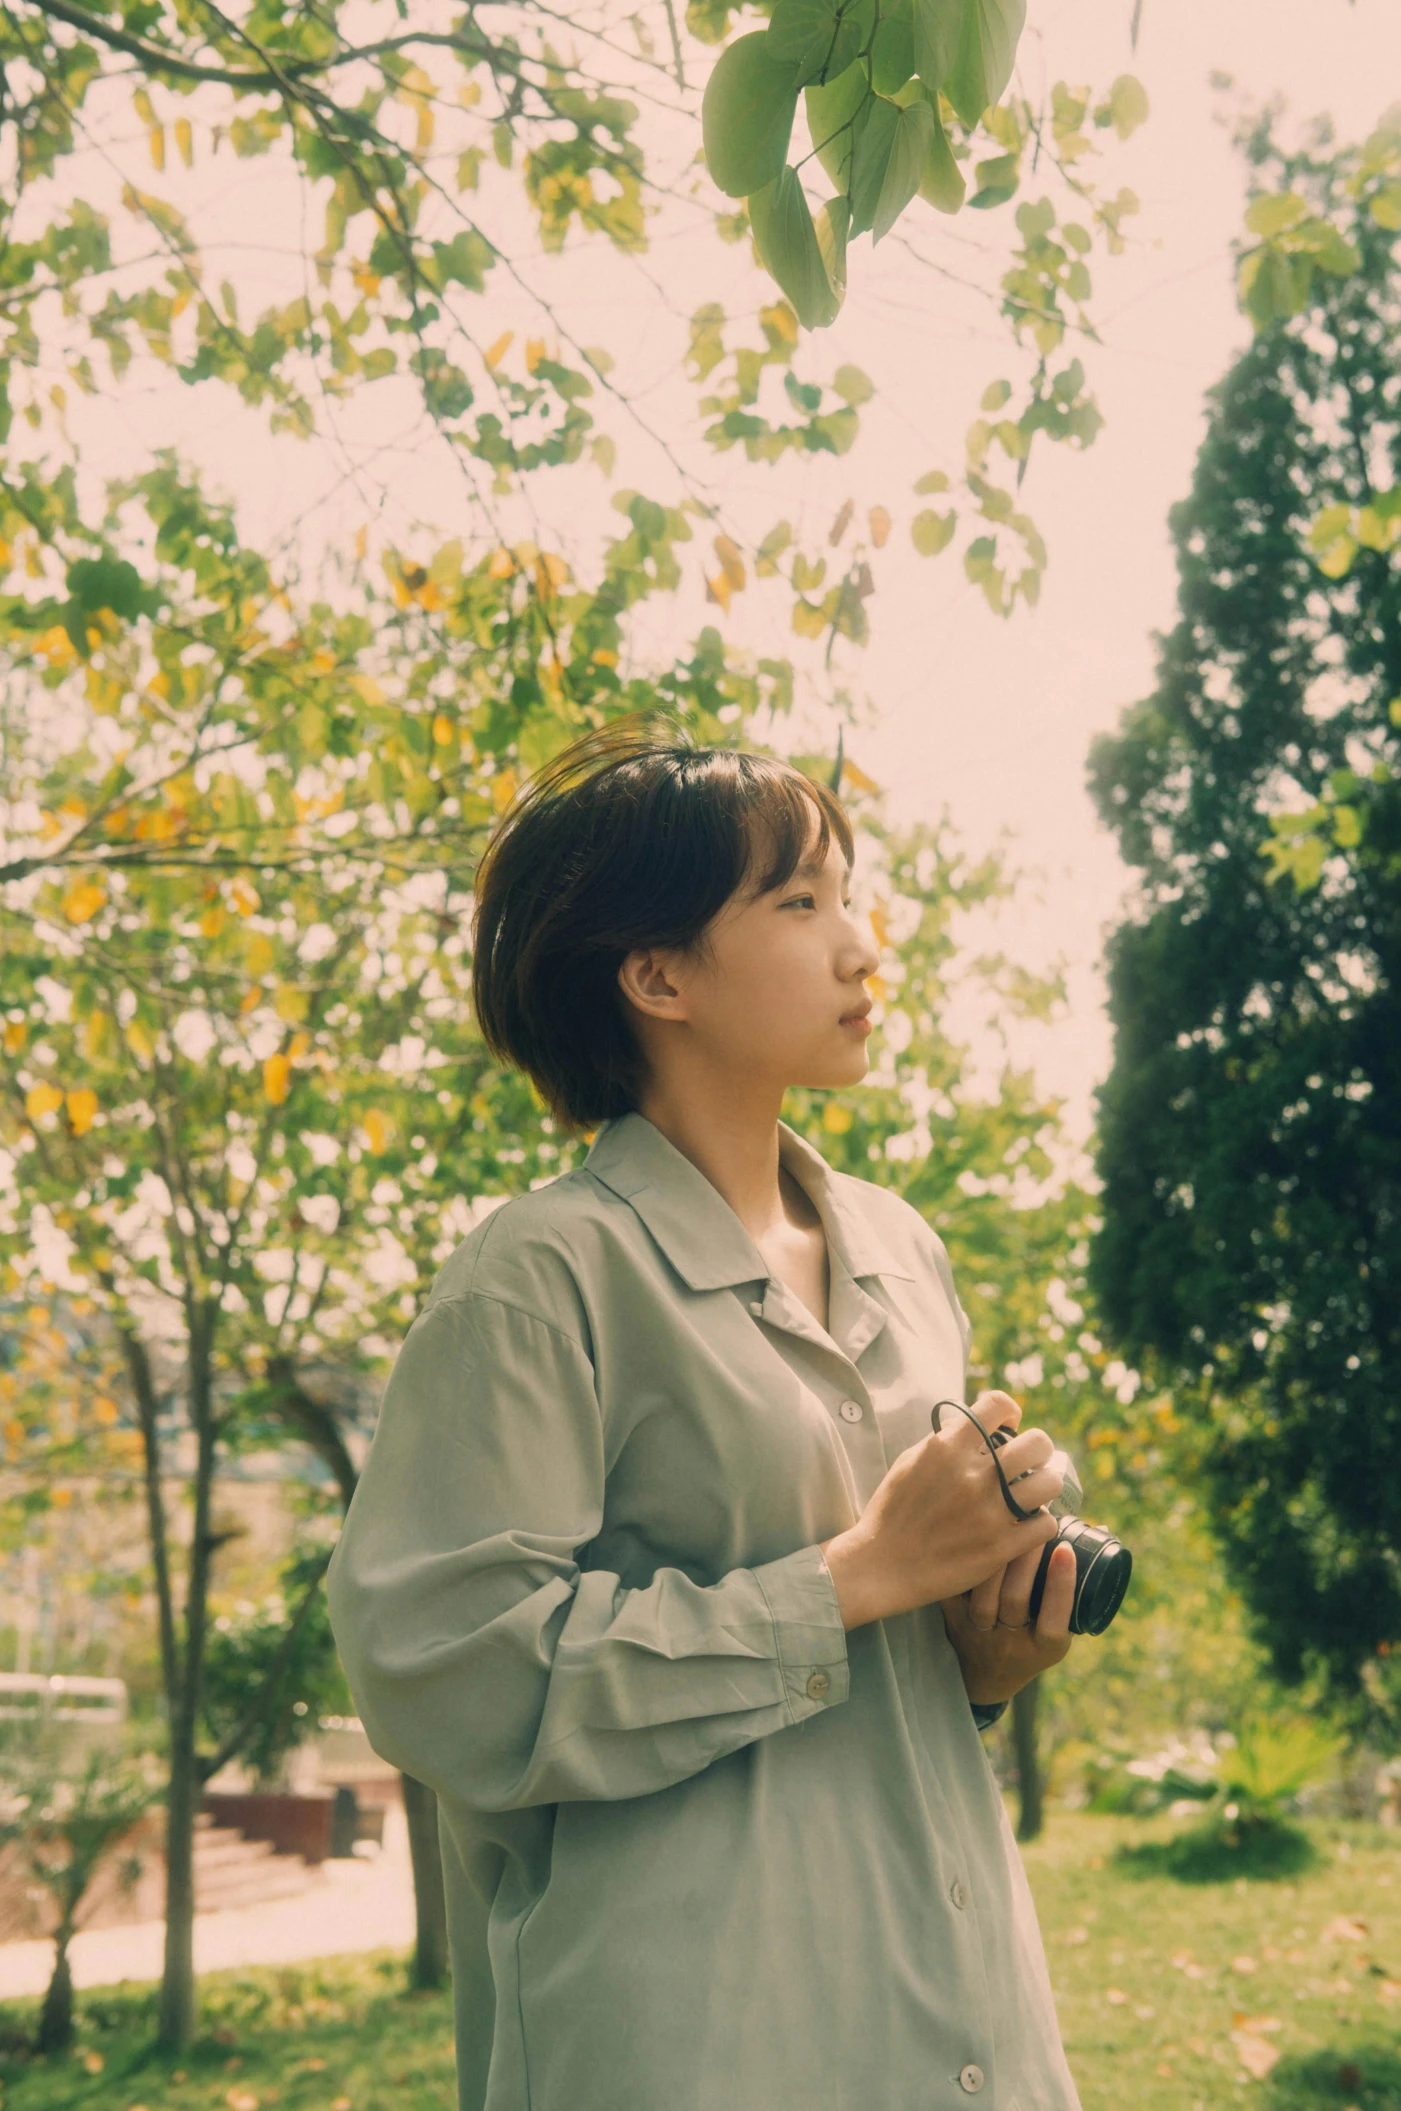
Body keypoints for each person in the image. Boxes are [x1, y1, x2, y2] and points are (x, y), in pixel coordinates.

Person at [327, 722, 1087, 2111]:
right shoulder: (540, 1279)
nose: (859, 944)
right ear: (657, 973)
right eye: (800, 902)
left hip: (963, 2018)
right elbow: (448, 1677)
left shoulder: (903, 1247)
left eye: (849, 893)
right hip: (695, 2041)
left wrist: (983, 1645)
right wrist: (855, 1575)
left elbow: (892, 1659)